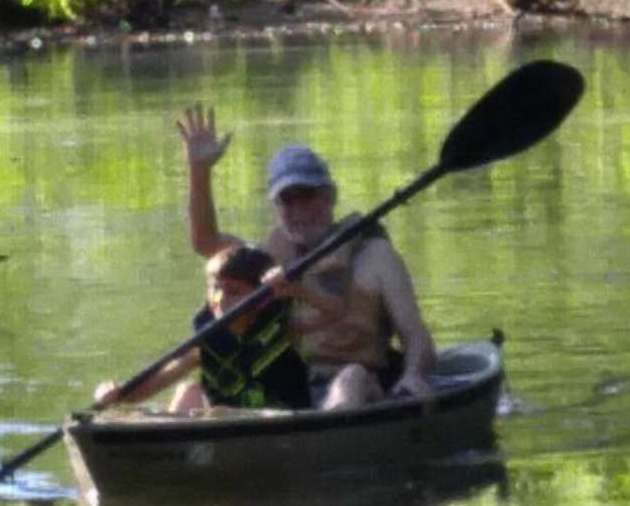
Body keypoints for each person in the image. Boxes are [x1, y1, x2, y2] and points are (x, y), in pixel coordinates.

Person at [175, 105, 436, 409]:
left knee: (349, 380)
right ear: (276, 207)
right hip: (289, 387)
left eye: (308, 195)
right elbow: (207, 243)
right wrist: (199, 172)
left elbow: (417, 337)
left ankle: (332, 442)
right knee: (190, 391)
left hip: (361, 386)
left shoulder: (377, 257)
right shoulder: (269, 257)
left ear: (330, 197)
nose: (299, 210)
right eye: (288, 199)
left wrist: (414, 375)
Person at [94, 244, 313, 412]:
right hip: (225, 429)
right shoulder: (204, 345)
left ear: (263, 299)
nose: (219, 299)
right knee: (188, 391)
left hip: (281, 423)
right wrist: (116, 392)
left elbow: (338, 312)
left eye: (234, 292)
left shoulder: (289, 325)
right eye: (216, 288)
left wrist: (298, 291)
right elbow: (150, 386)